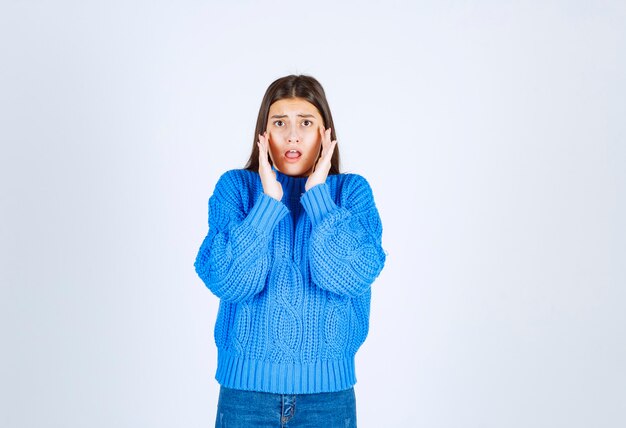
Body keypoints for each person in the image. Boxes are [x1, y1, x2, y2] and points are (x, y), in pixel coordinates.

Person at [194, 74, 387, 427]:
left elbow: (352, 276)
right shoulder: (236, 189)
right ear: (263, 134)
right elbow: (229, 281)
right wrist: (267, 204)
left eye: (306, 123)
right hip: (245, 397)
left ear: (325, 134)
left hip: (327, 399)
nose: (293, 135)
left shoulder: (351, 193)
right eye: (280, 122)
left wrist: (318, 197)